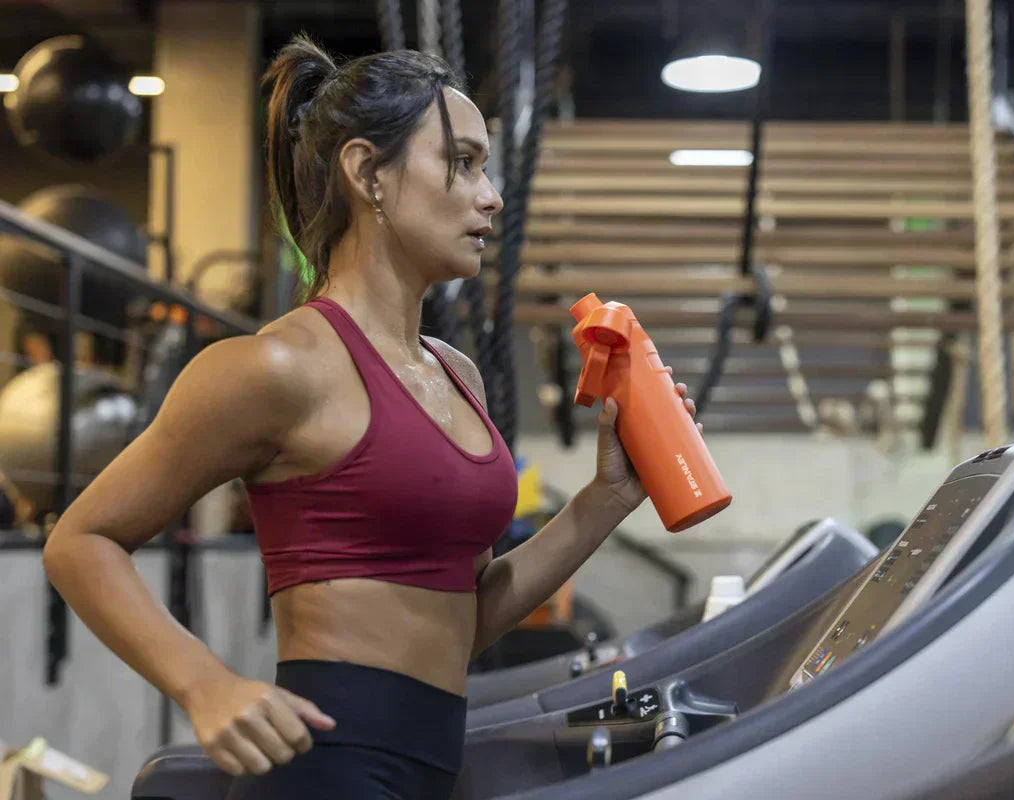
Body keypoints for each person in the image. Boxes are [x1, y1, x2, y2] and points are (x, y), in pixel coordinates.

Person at [41, 34, 700, 800]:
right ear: (367, 174)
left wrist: (608, 498)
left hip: (434, 760)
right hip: (329, 767)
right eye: (462, 164)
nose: (490, 196)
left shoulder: (457, 376)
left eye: (486, 168)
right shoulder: (277, 368)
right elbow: (80, 541)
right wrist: (203, 683)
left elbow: (466, 617)